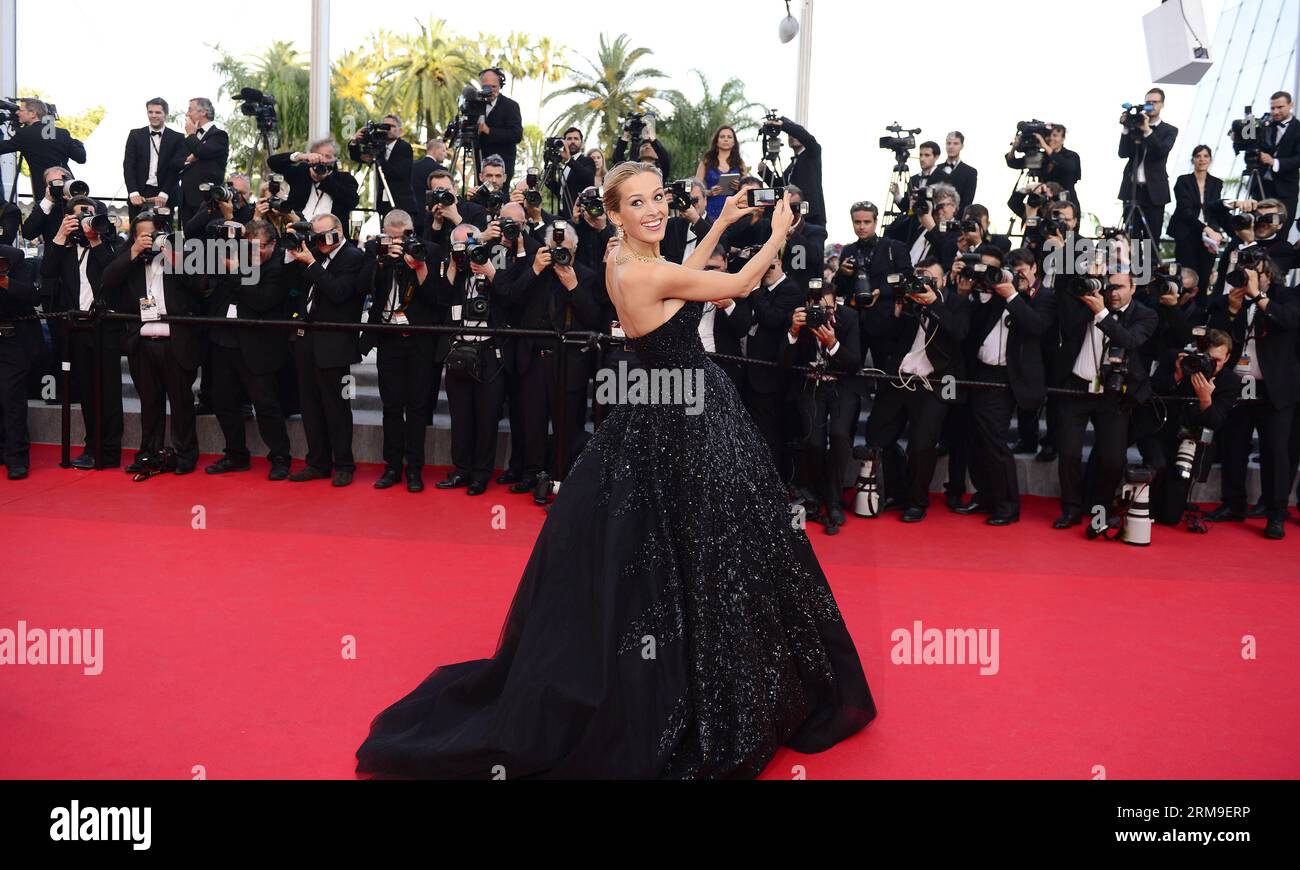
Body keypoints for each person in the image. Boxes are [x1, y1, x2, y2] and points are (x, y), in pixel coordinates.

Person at [356, 162, 875, 779]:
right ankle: (695, 685)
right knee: (703, 548)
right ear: (616, 214)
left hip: (666, 406)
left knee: (674, 555)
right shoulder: (643, 272)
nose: (654, 210)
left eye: (658, 197)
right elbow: (733, 285)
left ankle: (690, 665)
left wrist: (722, 221)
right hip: (686, 422)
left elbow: (684, 275)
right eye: (638, 203)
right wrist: (776, 235)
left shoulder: (621, 262)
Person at [102, 216, 208, 475]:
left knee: (181, 403)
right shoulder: (131, 263)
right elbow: (107, 280)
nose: (151, 239)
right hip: (143, 343)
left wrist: (174, 259)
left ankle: (184, 455)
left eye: (155, 233)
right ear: (135, 238)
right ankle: (149, 453)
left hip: (177, 343)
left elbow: (203, 287)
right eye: (144, 235)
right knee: (149, 403)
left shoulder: (181, 256)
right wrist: (135, 252)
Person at [202, 220, 293, 480]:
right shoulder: (235, 259)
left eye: (260, 248)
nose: (254, 253)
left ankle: (280, 457)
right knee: (223, 403)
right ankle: (235, 454)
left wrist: (237, 272)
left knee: (266, 406)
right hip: (223, 342)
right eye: (249, 247)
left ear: (273, 245)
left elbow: (262, 301)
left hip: (258, 348)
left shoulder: (279, 268)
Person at [284, 214, 367, 487]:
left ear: (340, 230)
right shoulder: (315, 254)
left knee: (337, 407)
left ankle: (344, 464)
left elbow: (340, 292)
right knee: (309, 406)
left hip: (336, 344)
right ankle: (317, 462)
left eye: (325, 235)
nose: (320, 241)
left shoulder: (353, 257)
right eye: (316, 236)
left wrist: (311, 263)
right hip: (307, 339)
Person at [0, 244, 41, 479]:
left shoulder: (13, 257)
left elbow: (33, 296)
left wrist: (6, 283)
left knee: (11, 397)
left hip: (12, 339)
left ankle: (16, 457)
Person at [1117, 87, 1178, 241]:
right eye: (1147, 103)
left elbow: (1160, 152)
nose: (1151, 106)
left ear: (1162, 104)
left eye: (1154, 102)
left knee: (1152, 238)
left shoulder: (1169, 130)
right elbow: (1123, 153)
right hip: (1132, 189)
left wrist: (1147, 131)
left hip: (1155, 192)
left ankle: (1151, 266)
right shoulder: (1134, 126)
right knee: (1133, 239)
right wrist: (1126, 128)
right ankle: (1134, 265)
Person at [0, 98, 86, 201]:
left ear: (33, 113)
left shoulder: (24, 134)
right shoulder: (62, 133)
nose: (17, 112)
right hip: (68, 188)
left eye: (21, 110)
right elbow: (81, 158)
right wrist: (76, 142)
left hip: (45, 191)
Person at [1170, 145, 1230, 291]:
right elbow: (1185, 212)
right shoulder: (1183, 181)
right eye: (1198, 156)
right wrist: (1207, 229)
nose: (1202, 159)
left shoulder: (1217, 183)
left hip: (1208, 239)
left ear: (1210, 159)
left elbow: (1215, 210)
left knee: (1205, 277)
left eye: (1205, 156)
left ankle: (1201, 310)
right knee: (1186, 278)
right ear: (1193, 160)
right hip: (1187, 233)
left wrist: (1216, 232)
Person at [266, 139, 360, 230]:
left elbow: (352, 201)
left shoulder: (344, 178)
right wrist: (300, 156)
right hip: (298, 230)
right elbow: (272, 162)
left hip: (331, 236)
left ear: (335, 159)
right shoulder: (301, 172)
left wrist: (325, 180)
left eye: (328, 156)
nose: (322, 160)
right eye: (318, 156)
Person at [122, 98, 186, 222]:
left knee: (164, 236)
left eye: (157, 112)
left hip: (166, 193)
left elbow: (176, 169)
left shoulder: (178, 138)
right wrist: (133, 192)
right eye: (150, 112)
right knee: (136, 235)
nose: (153, 115)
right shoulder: (135, 135)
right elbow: (128, 165)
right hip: (139, 192)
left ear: (166, 115)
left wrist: (164, 194)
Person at [348, 115, 417, 219]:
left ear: (400, 130)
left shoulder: (404, 147)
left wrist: (378, 158)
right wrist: (355, 141)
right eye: (385, 126)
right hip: (382, 204)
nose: (387, 129)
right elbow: (358, 157)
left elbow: (399, 172)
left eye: (392, 126)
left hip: (401, 203)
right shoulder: (379, 145)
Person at [178, 98, 230, 226]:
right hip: (185, 200)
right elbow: (175, 162)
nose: (187, 114)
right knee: (187, 242)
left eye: (190, 110)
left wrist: (191, 135)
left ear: (203, 112)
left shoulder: (219, 136)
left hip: (206, 200)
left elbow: (201, 151)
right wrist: (188, 159)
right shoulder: (187, 140)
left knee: (207, 243)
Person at [475, 68, 524, 183]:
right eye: (486, 87)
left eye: (494, 86)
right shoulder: (475, 105)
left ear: (500, 86)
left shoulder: (511, 106)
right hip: (480, 165)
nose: (490, 90)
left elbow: (516, 135)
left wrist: (489, 131)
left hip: (502, 167)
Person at [695, 125, 747, 221]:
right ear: (717, 141)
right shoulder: (706, 162)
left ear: (734, 142)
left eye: (729, 137)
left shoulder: (740, 163)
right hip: (711, 209)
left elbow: (747, 189)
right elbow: (696, 188)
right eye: (722, 137)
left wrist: (739, 187)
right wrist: (709, 192)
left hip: (734, 210)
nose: (726, 139)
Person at [936, 131, 978, 215]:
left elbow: (967, 202)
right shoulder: (936, 169)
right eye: (948, 143)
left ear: (962, 146)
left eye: (955, 143)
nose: (951, 147)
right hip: (934, 220)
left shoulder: (970, 172)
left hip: (956, 221)